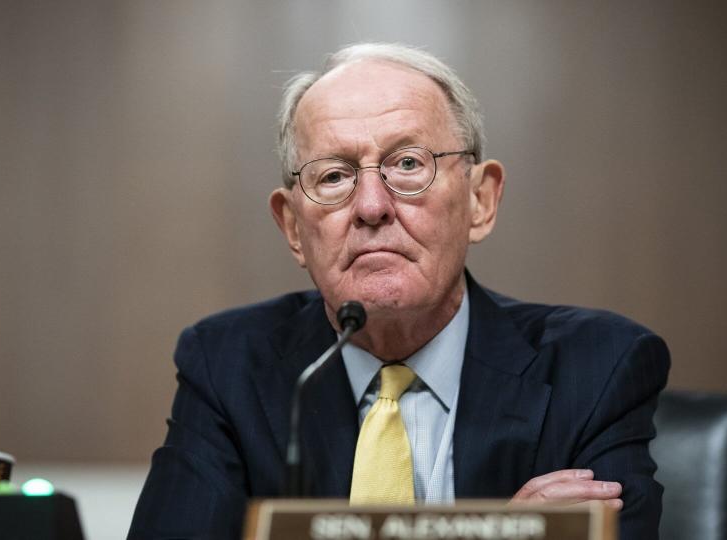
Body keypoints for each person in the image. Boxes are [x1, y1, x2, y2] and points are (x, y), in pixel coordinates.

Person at [129, 42, 670, 540]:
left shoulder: (596, 366)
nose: (370, 206)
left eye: (408, 164)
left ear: (481, 200)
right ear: (294, 228)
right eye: (335, 176)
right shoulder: (228, 365)